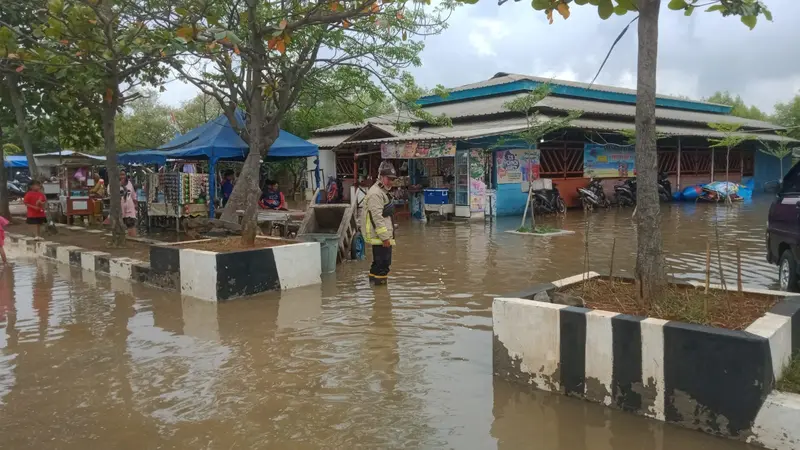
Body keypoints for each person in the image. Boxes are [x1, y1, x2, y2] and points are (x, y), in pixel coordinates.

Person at [362, 161, 396, 285]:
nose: (391, 182)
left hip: (380, 236)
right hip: (380, 237)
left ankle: (374, 289)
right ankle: (382, 299)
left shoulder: (381, 191)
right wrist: (385, 238)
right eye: (388, 179)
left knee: (378, 263)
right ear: (381, 177)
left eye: (392, 179)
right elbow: (377, 218)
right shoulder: (376, 193)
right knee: (383, 265)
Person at [119, 170, 137, 237]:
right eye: (120, 174)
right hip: (120, 209)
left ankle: (133, 240)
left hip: (130, 208)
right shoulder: (115, 185)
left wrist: (135, 205)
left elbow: (133, 196)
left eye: (123, 174)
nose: (122, 176)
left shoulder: (130, 184)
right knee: (121, 226)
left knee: (131, 224)